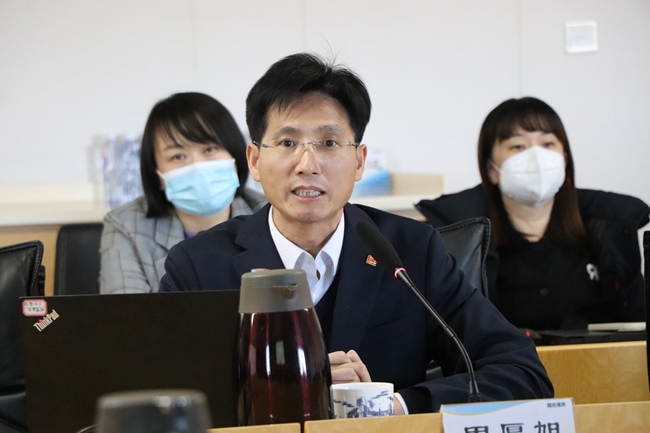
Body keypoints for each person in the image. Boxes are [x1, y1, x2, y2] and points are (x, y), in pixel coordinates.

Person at [160, 54, 553, 413]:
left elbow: (521, 373)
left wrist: (388, 405)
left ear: (359, 161)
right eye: (287, 142)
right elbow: (166, 397)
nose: (307, 164)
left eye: (329, 143)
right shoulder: (199, 266)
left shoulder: (411, 252)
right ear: (255, 160)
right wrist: (287, 390)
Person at [417, 97, 649, 331]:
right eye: (518, 146)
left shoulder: (609, 227)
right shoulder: (460, 238)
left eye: (548, 144)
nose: (537, 157)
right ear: (491, 170)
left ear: (564, 160)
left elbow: (635, 322)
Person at [100, 92, 266, 294]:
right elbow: (126, 311)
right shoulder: (126, 226)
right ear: (157, 174)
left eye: (209, 149)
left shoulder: (268, 213)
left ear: (237, 155)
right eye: (178, 156)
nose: (197, 165)